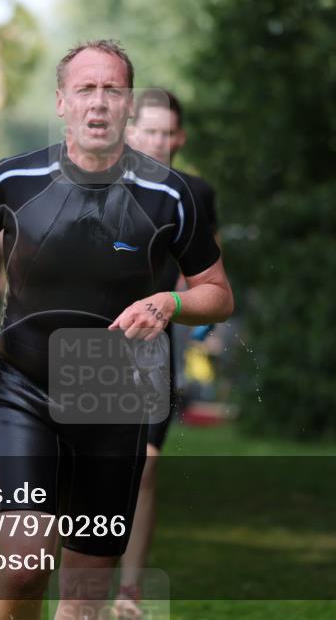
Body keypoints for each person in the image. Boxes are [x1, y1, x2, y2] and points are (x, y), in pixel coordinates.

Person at [0, 40, 233, 620]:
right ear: (61, 102)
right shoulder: (12, 179)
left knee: (84, 596)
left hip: (113, 395)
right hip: (22, 387)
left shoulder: (170, 195)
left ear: (129, 105)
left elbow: (217, 294)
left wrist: (170, 302)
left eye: (112, 90)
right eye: (85, 89)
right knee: (24, 565)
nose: (98, 102)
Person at [114, 88, 220, 618]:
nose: (157, 141)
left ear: (180, 137)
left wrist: (187, 313)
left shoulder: (194, 194)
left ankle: (129, 591)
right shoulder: (100, 183)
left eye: (167, 133)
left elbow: (207, 273)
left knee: (146, 466)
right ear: (131, 131)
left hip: (154, 344)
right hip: (93, 342)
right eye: (149, 131)